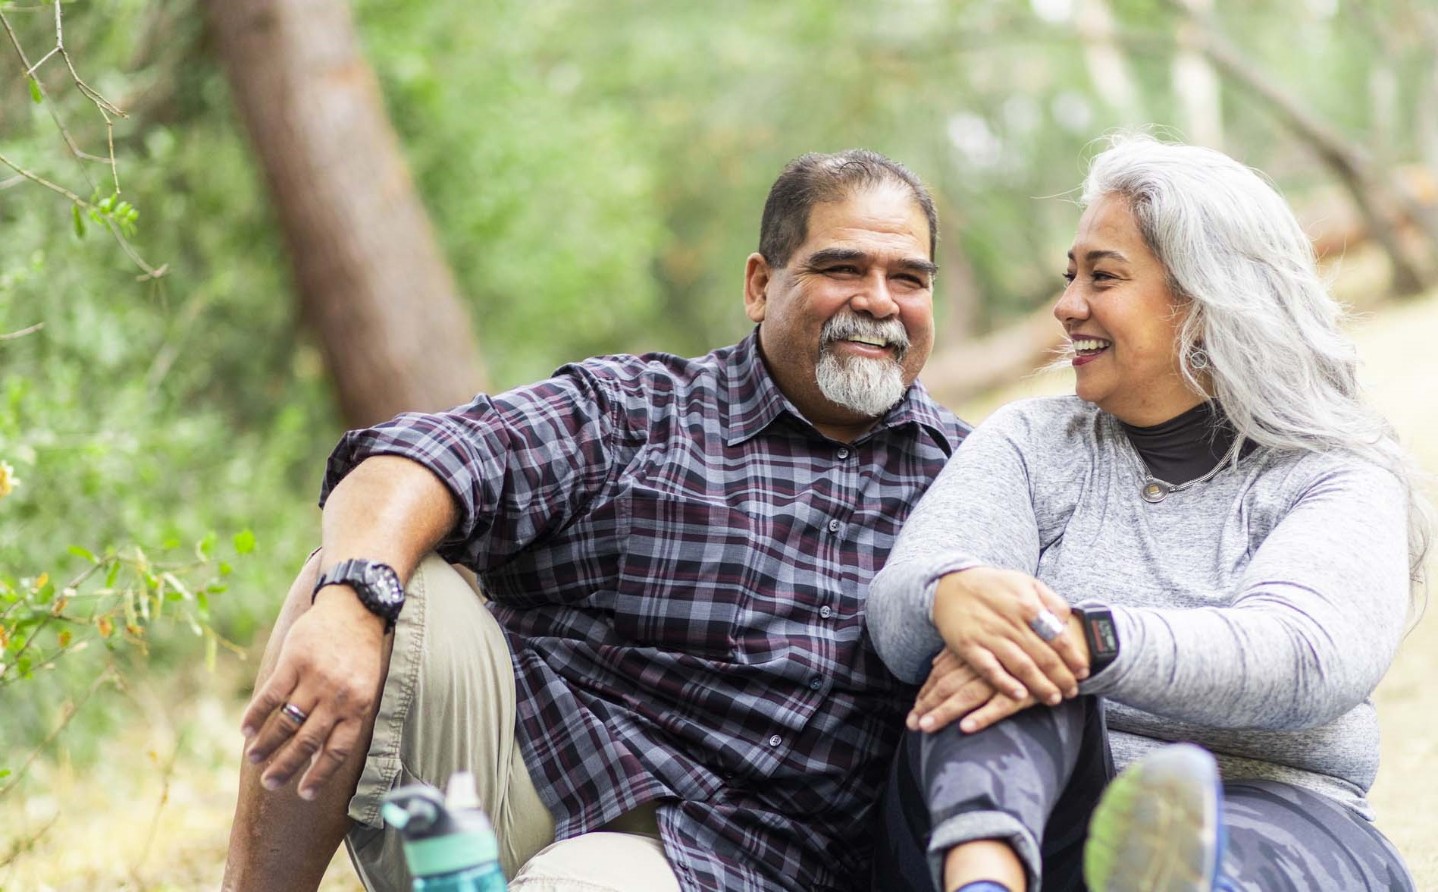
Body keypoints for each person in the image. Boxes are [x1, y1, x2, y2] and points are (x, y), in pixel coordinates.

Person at [221, 148, 971, 892]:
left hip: (728, 864)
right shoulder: (640, 410)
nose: (878, 300)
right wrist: (353, 599)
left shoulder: (966, 481)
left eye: (907, 278)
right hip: (517, 778)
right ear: (760, 284)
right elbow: (419, 457)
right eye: (843, 269)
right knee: (369, 576)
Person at [865, 133, 1429, 892]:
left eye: (1103, 276)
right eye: (1071, 275)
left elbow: (1308, 654)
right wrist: (949, 594)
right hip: (1024, 819)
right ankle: (984, 884)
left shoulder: (1336, 476)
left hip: (1278, 811)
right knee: (1005, 646)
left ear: (1205, 297)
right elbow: (900, 617)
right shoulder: (1033, 442)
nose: (1066, 307)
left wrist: (1091, 641)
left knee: (1044, 648)